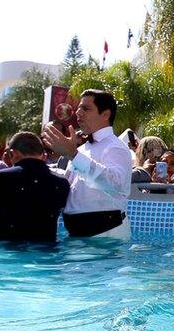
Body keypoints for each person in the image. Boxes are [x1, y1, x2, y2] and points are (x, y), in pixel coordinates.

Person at [42, 89, 133, 238]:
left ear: (105, 114)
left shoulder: (115, 147)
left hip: (106, 236)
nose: (78, 113)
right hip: (78, 235)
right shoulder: (82, 149)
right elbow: (71, 184)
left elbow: (115, 184)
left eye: (85, 108)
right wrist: (35, 165)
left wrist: (73, 155)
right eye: (78, 108)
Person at [0, 132, 70, 243]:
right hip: (46, 251)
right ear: (43, 155)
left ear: (13, 153)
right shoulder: (61, 182)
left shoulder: (1, 177)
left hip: (10, 252)